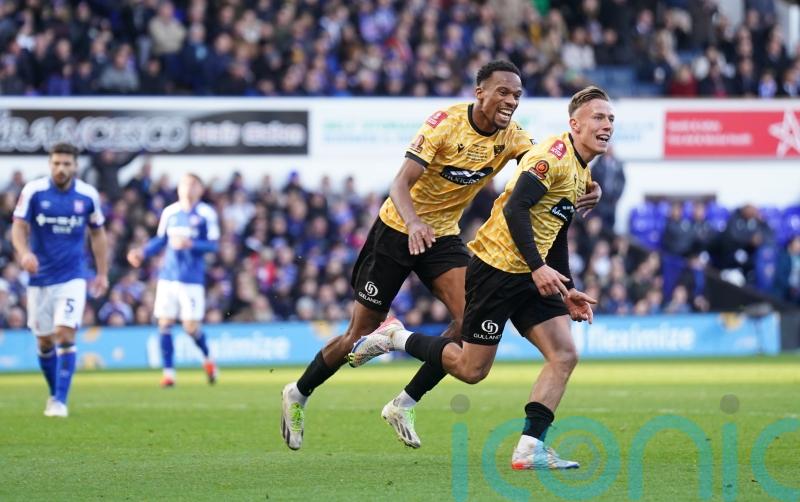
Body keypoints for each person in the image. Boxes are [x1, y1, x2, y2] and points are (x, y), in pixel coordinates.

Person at [280, 60, 602, 451]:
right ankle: (299, 392)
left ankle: (405, 402)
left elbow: (547, 170)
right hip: (397, 231)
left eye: (517, 95)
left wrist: (586, 184)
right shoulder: (444, 124)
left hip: (442, 238)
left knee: (468, 322)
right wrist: (414, 223)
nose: (511, 101)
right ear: (479, 92)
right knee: (358, 334)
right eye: (503, 91)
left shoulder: (514, 138)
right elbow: (399, 182)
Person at [349, 86, 614, 470]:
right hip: (497, 270)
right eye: (598, 117)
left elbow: (557, 232)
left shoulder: (580, 171)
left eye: (610, 119)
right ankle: (395, 336)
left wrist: (567, 289)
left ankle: (530, 448)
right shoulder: (551, 158)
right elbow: (515, 209)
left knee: (564, 354)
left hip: (530, 273)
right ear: (574, 124)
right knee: (472, 370)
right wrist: (539, 268)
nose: (606, 125)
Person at [11, 142, 109, 418]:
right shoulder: (34, 191)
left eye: (66, 164)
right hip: (40, 278)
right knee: (44, 342)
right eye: (56, 163)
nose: (61, 169)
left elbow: (98, 235)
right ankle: (55, 394)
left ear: (76, 166)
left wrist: (101, 273)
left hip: (73, 276)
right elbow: (18, 227)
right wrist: (24, 252)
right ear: (50, 164)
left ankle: (60, 401)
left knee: (65, 332)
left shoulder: (87, 196)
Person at [127, 173, 220, 387]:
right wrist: (142, 252)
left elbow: (214, 245)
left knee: (190, 327)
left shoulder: (206, 213)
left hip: (192, 279)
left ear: (200, 189)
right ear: (179, 188)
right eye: (184, 184)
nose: (188, 188)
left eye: (193, 184)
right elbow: (160, 240)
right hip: (168, 277)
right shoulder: (170, 212)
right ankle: (169, 373)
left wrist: (191, 244)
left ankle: (208, 360)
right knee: (164, 323)